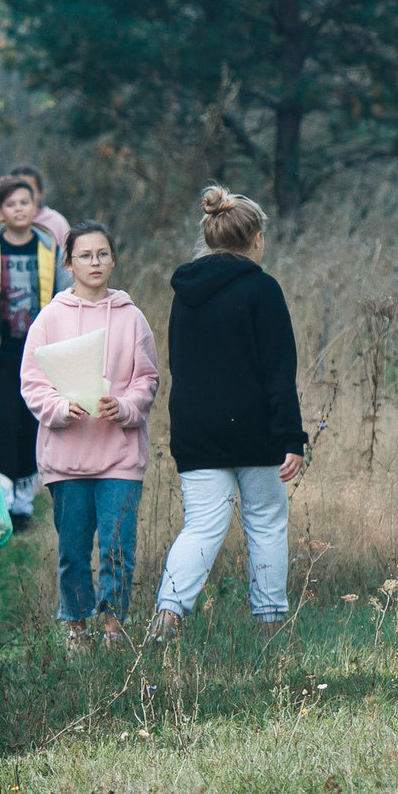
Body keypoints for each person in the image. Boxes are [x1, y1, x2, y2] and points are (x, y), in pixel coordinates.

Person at [150, 185, 306, 637]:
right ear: (255, 238)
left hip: (197, 428)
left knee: (200, 526)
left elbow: (179, 361)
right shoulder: (263, 289)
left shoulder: (185, 293)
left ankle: (168, 616)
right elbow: (279, 371)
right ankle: (271, 621)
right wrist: (291, 437)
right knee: (266, 522)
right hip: (256, 431)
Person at [20, 220, 158, 651]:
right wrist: (60, 409)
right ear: (69, 263)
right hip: (67, 458)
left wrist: (128, 406)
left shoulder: (132, 318)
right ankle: (77, 630)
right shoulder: (50, 319)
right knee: (74, 552)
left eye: (102, 254)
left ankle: (114, 629)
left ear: (113, 260)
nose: (94, 262)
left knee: (118, 548)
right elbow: (32, 383)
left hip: (119, 455)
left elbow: (148, 379)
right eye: (85, 255)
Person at [0, 175, 66, 525]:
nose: (19, 209)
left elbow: (65, 298)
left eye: (25, 202)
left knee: (31, 421)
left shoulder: (49, 246)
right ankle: (1, 500)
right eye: (11, 204)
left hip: (40, 352)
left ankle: (23, 501)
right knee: (1, 422)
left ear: (36, 206)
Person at [8, 161, 73, 248]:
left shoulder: (57, 222)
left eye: (29, 190)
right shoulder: (4, 221)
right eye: (17, 190)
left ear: (41, 193)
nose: (23, 195)